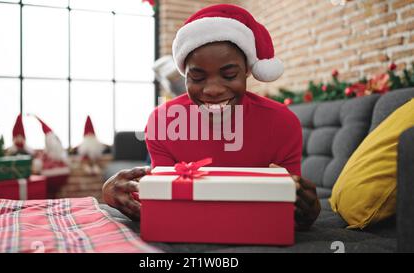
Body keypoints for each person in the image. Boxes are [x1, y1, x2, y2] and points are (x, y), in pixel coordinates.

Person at [103, 4, 320, 230]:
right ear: (185, 77)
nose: (213, 89)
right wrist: (112, 194)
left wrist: (305, 209)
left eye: (229, 75)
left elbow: (289, 205)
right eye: (197, 77)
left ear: (247, 70)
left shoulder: (282, 123)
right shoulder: (162, 121)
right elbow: (161, 205)